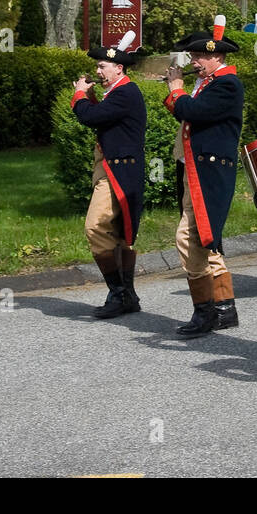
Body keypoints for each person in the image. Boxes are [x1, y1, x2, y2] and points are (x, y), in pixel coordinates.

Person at [164, 16, 244, 335]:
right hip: (194, 168)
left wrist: (176, 89)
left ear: (217, 57)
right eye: (193, 57)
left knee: (189, 238)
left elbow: (192, 113)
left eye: (199, 57)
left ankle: (205, 312)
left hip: (209, 171)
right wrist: (180, 93)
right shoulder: (209, 83)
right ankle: (224, 308)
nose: (194, 62)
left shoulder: (227, 83)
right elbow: (186, 113)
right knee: (207, 241)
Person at [72, 32, 147, 319]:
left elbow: (90, 117)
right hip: (112, 167)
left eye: (103, 67)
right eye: (98, 67)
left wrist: (80, 94)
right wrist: (90, 97)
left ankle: (118, 292)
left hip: (118, 170)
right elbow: (101, 115)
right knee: (118, 235)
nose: (98, 72)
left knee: (96, 228)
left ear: (120, 69)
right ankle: (126, 296)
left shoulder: (125, 92)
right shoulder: (117, 93)